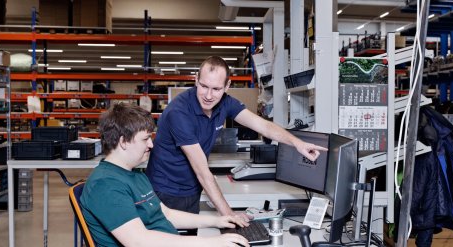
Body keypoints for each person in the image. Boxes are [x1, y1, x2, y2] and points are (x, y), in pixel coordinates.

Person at [146, 56, 328, 221]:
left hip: (191, 190)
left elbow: (263, 126)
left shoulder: (225, 103)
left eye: (216, 89)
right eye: (203, 86)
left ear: (227, 86)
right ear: (196, 80)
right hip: (165, 190)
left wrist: (297, 143)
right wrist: (229, 215)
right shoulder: (179, 113)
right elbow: (202, 172)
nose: (208, 96)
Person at [80, 103, 250, 247]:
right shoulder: (105, 185)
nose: (151, 145)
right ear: (123, 141)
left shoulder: (135, 174)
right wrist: (210, 242)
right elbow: (138, 241)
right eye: (145, 139)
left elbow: (166, 214)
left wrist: (216, 221)